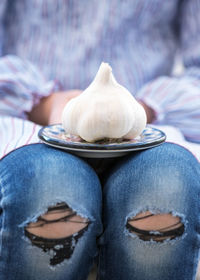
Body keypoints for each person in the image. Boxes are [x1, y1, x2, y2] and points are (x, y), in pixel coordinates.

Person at [0, 1, 200, 279]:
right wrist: (44, 104)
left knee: (165, 185)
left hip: (148, 126)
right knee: (50, 186)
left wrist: (142, 109)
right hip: (25, 121)